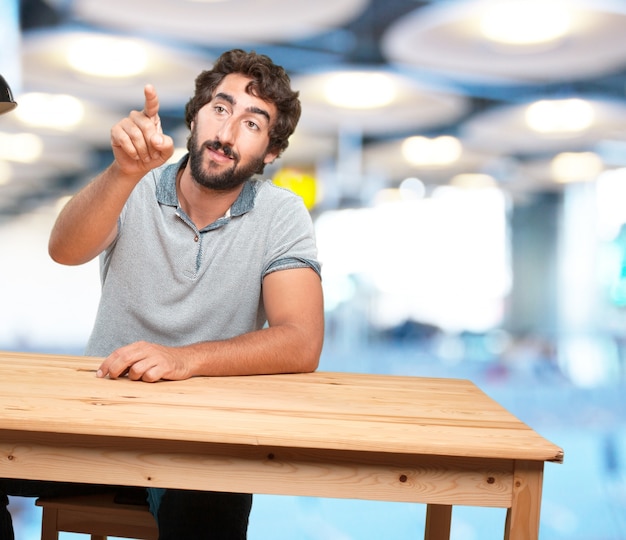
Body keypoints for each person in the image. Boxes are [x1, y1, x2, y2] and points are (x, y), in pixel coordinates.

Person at [0, 49, 324, 539]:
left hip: (202, 438)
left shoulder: (282, 214)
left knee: (212, 500)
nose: (228, 132)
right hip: (96, 424)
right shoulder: (133, 184)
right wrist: (123, 172)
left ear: (271, 152)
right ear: (194, 117)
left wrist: (183, 360)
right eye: (220, 108)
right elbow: (64, 250)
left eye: (253, 124)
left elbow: (301, 340)